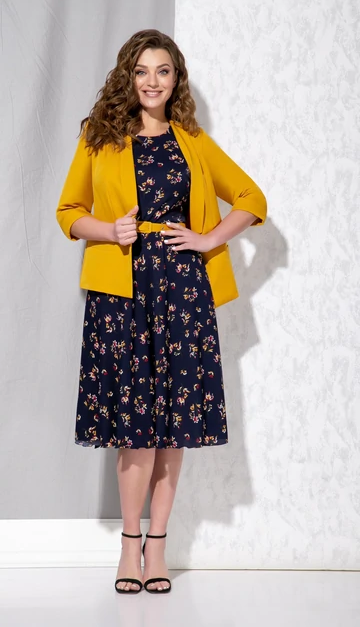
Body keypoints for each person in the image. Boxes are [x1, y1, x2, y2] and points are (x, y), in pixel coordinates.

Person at [56, 29, 267, 595]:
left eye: (164, 71)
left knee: (174, 423)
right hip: (122, 295)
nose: (152, 81)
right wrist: (109, 230)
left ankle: (159, 549)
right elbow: (68, 211)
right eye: (142, 70)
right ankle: (130, 547)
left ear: (177, 80)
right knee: (136, 426)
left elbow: (251, 199)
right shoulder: (99, 136)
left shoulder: (192, 141)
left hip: (182, 293)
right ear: (128, 76)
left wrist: (207, 239)